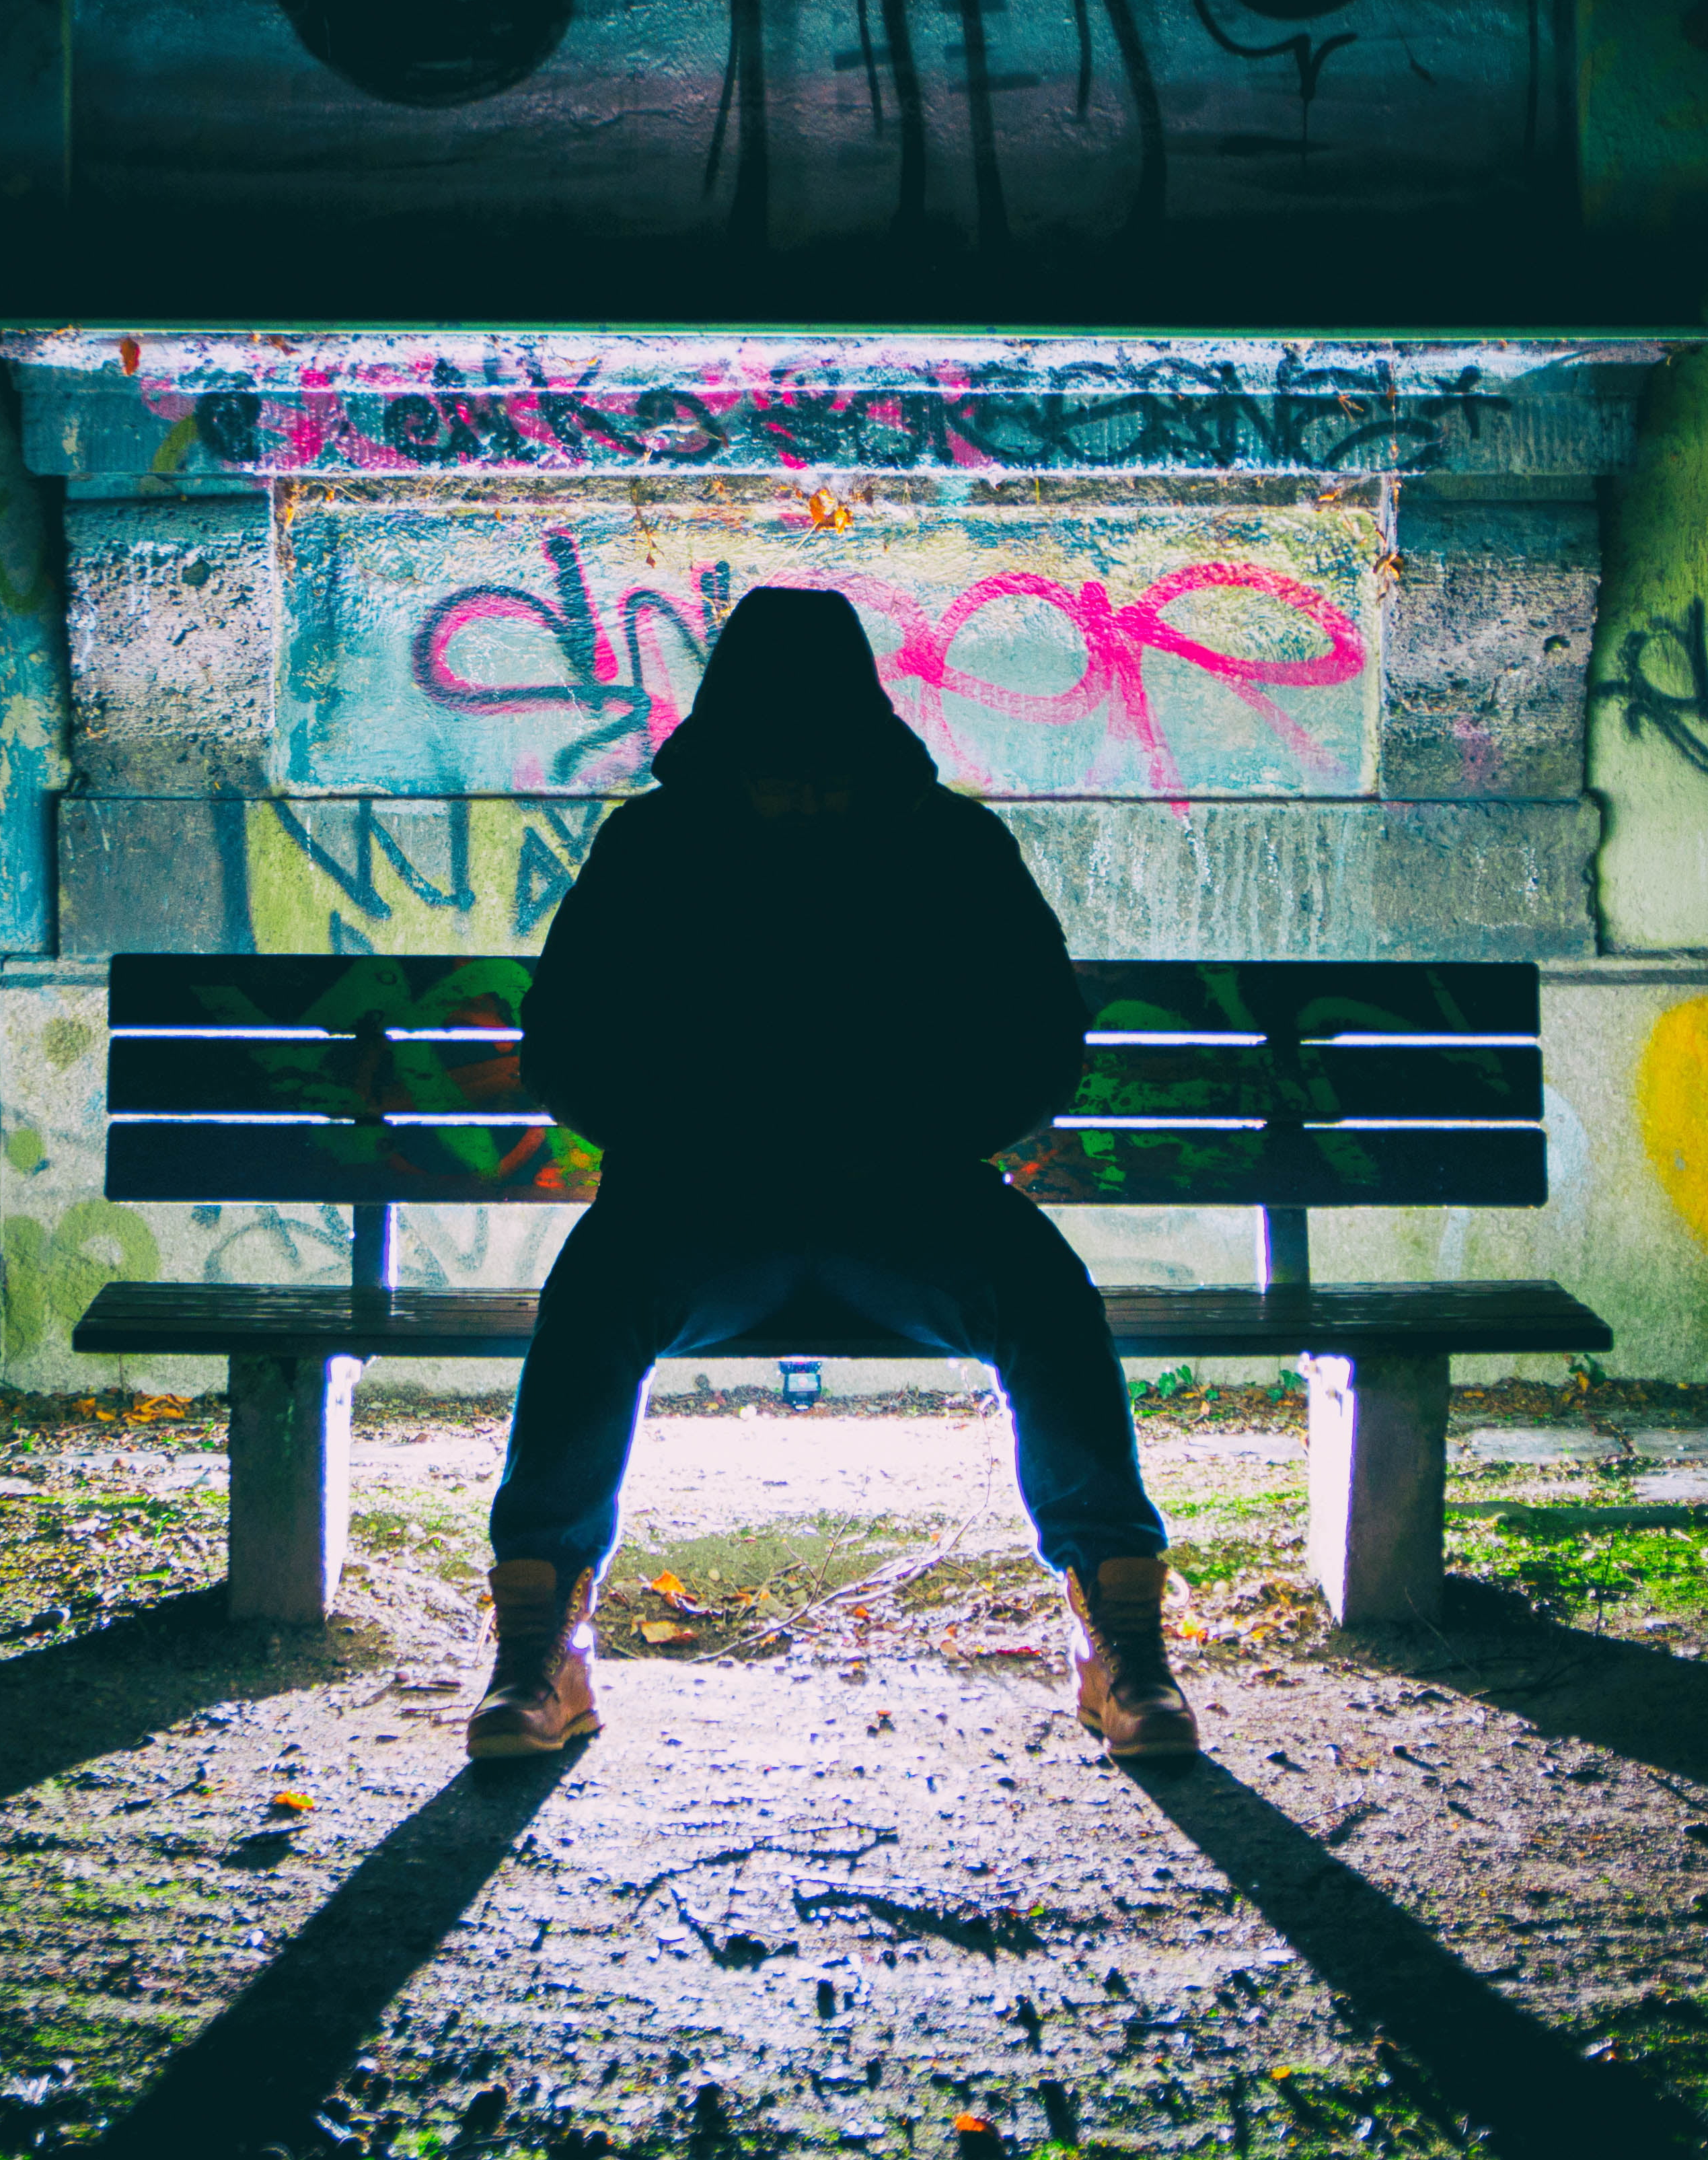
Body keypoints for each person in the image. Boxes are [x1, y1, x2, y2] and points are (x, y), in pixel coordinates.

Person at [466, 585, 1197, 1763]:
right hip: (703, 1204)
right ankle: (540, 1644)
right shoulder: (654, 848)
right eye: (776, 767)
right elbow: (569, 1042)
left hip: (906, 1198)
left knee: (1047, 1296)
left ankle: (1121, 1640)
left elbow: (1035, 1036)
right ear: (730, 747)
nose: (802, 791)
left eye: (821, 768)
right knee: (594, 1294)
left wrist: (918, 1139)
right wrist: (690, 1141)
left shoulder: (948, 845)